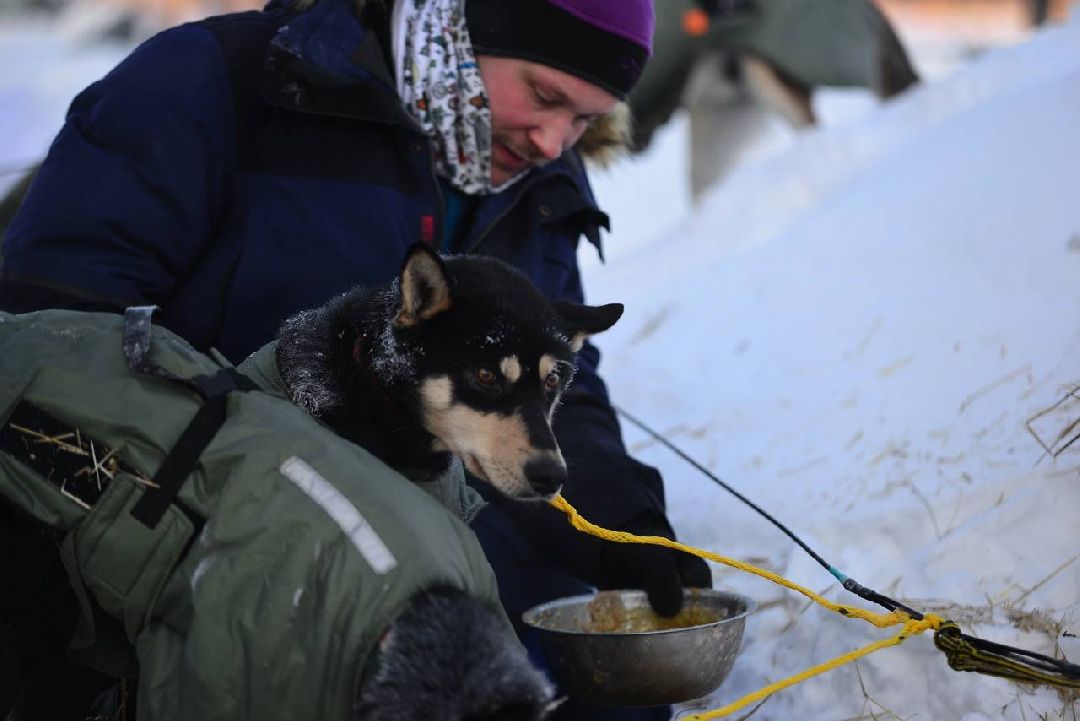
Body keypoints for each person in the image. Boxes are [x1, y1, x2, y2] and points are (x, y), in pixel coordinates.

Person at [0, 0, 711, 718]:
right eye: (546, 95)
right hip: (183, 561)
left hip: (438, 583)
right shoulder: (221, 84)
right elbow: (53, 341)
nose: (555, 141)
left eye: (587, 119)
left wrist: (622, 524)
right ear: (460, 25)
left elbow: (549, 386)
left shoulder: (537, 180)